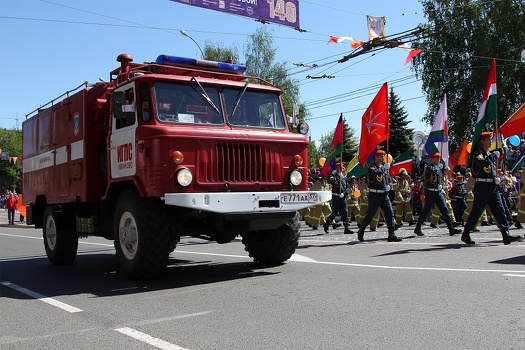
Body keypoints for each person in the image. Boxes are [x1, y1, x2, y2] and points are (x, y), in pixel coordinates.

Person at [461, 132, 522, 245]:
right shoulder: (478, 154)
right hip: (482, 187)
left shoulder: (488, 153)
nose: (490, 142)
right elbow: (482, 163)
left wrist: (496, 179)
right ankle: (466, 233)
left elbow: (490, 170)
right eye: (488, 140)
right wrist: (493, 155)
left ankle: (506, 235)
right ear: (482, 141)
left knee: (499, 210)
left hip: (492, 186)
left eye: (490, 139)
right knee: (476, 212)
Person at [357, 150, 402, 242]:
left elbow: (388, 179)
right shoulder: (371, 167)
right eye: (381, 156)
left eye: (383, 156)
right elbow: (374, 173)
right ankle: (361, 229)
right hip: (374, 195)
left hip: (384, 194)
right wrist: (384, 168)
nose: (383, 158)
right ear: (376, 157)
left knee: (389, 213)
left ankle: (391, 234)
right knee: (371, 214)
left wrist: (389, 185)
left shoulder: (384, 167)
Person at [414, 152, 462, 237]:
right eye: (436, 159)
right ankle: (417, 228)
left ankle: (451, 229)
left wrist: (440, 184)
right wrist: (438, 167)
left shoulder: (437, 168)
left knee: (445, 210)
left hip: (438, 192)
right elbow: (431, 171)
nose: (438, 160)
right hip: (430, 192)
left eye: (439, 159)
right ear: (432, 160)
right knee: (425, 211)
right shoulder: (428, 167)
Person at [323, 163, 353, 235]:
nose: (342, 168)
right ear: (337, 168)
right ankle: (326, 224)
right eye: (340, 167)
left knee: (345, 212)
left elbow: (348, 188)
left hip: (342, 197)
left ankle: (346, 228)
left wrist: (344, 193)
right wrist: (332, 174)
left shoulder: (344, 178)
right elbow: (329, 181)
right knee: (335, 213)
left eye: (342, 167)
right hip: (336, 197)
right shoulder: (335, 177)